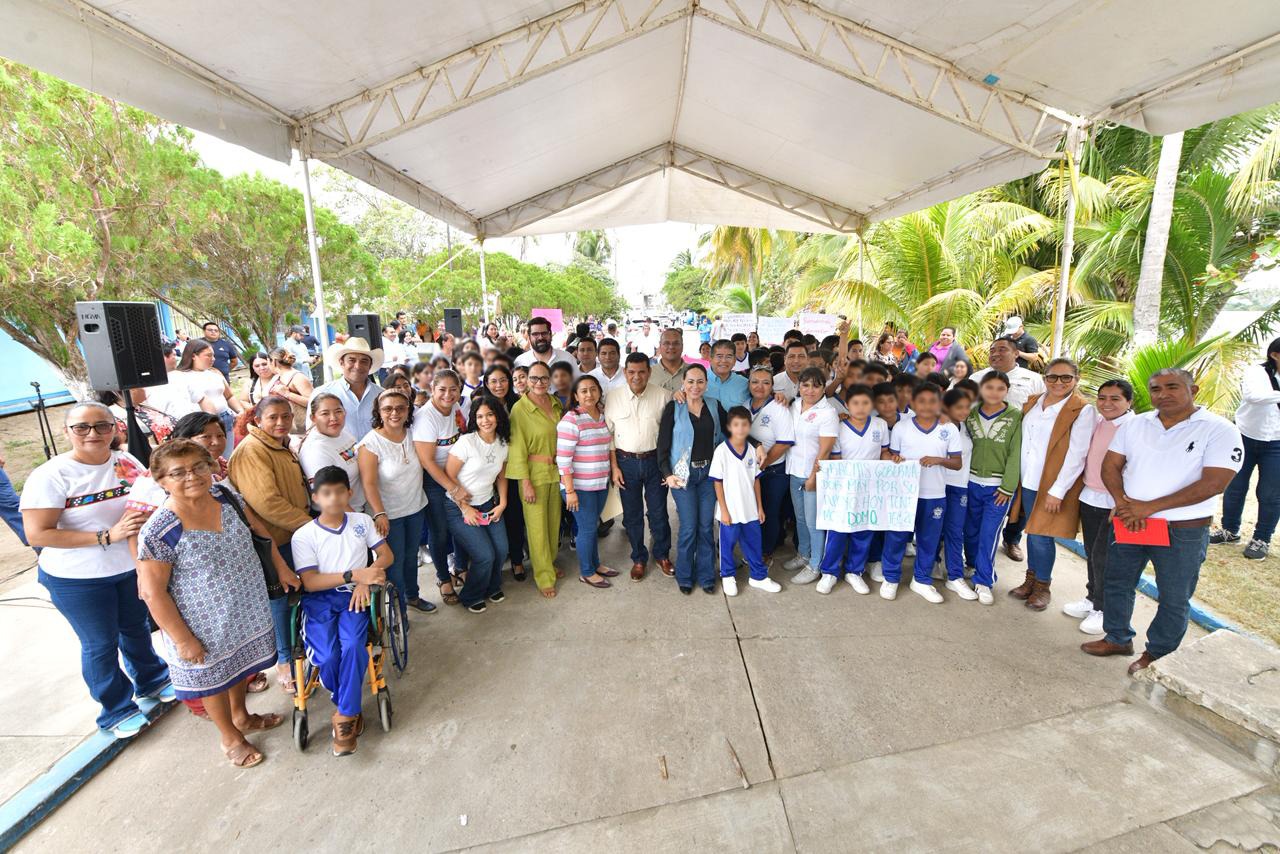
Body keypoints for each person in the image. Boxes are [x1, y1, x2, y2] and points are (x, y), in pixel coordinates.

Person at [136, 440, 297, 766]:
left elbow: (260, 530)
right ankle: (230, 737)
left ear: (210, 466)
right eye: (177, 473)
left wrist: (282, 568)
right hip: (200, 625)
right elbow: (152, 592)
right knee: (212, 680)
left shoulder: (226, 497)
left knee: (238, 669)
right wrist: (183, 639)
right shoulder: (160, 529)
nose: (191, 476)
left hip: (243, 609)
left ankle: (242, 716)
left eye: (198, 466)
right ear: (161, 481)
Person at [20, 402, 172, 738]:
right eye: (82, 427)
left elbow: (145, 500)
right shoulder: (51, 475)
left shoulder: (125, 462)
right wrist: (106, 535)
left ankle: (153, 679)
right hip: (77, 578)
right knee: (100, 643)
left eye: (102, 426)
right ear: (67, 432)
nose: (93, 434)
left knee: (135, 628)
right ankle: (116, 710)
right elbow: (37, 533)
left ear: (114, 429)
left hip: (126, 566)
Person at [1084, 369, 1243, 675]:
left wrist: (1149, 507)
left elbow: (1214, 483)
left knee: (1174, 594)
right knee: (1117, 582)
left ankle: (1158, 653)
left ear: (1193, 389)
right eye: (1156, 389)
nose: (1162, 394)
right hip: (1131, 521)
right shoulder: (1137, 424)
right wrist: (1122, 503)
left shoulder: (1219, 430)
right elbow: (1111, 466)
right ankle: (1117, 637)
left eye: (1172, 387)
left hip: (1182, 529)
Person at [291, 466, 391, 755]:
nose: (334, 498)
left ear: (349, 493)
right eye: (326, 493)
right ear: (315, 498)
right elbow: (309, 582)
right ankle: (345, 698)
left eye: (339, 491)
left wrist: (367, 577)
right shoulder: (304, 535)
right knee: (327, 655)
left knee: (354, 645)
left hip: (355, 598)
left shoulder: (360, 521)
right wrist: (354, 575)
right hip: (320, 599)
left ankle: (345, 716)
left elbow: (386, 555)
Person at [227, 396, 313, 693]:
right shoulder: (252, 450)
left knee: (295, 598)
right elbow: (266, 502)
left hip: (292, 535)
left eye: (286, 417)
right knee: (280, 601)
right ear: (258, 419)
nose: (280, 423)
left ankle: (299, 654)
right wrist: (310, 525)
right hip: (273, 542)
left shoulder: (277, 445)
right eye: (273, 417)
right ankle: (286, 664)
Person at [1006, 358, 1095, 611]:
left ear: (1076, 380)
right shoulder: (1034, 402)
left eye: (1066, 377)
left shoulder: (1082, 409)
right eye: (1052, 377)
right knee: (1032, 533)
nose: (1058, 382)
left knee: (1042, 536)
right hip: (1028, 480)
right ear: (1044, 378)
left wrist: (1058, 490)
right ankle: (1031, 580)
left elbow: (1078, 454)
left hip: (1052, 483)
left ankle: (1043, 586)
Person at [1065, 379, 1135, 635]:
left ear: (1129, 402)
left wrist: (1123, 500)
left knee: (1105, 557)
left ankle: (1103, 609)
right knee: (1091, 551)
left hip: (1114, 502)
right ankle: (1092, 597)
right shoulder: (1099, 422)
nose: (1107, 403)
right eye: (1102, 398)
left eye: (1115, 399)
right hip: (1091, 496)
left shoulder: (1132, 427)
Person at [881, 384, 963, 603]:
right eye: (921, 401)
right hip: (904, 493)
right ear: (912, 403)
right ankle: (890, 577)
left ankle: (921, 579)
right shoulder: (901, 428)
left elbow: (957, 463)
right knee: (897, 535)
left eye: (932, 401)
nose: (927, 405)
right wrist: (894, 459)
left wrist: (939, 460)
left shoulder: (949, 429)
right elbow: (891, 457)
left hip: (934, 494)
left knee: (928, 539)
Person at [971, 337, 1046, 561]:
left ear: (1016, 353)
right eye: (992, 350)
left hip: (1021, 448)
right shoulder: (976, 378)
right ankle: (974, 552)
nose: (995, 353)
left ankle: (1012, 539)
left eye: (1002, 349)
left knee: (1017, 498)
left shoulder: (1033, 379)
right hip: (984, 448)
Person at [357, 388, 429, 617]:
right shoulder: (371, 443)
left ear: (409, 409)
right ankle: (398, 614)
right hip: (389, 515)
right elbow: (368, 483)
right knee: (394, 564)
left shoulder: (412, 432)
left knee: (411, 558)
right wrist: (379, 514)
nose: (394, 413)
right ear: (379, 411)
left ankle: (413, 596)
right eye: (388, 409)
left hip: (415, 507)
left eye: (400, 408)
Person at [658, 365, 726, 594]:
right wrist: (667, 474)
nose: (695, 386)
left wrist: (755, 445)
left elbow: (732, 431)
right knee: (688, 527)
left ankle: (707, 575)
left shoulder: (715, 406)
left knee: (706, 526)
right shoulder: (674, 407)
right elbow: (663, 445)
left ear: (707, 383)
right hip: (682, 476)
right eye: (690, 382)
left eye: (700, 382)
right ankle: (685, 575)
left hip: (708, 474)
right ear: (683, 383)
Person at [607, 353, 674, 581]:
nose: (637, 376)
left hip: (655, 462)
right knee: (633, 515)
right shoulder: (612, 398)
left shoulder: (664, 396)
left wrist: (668, 468)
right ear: (625, 372)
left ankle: (662, 555)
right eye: (632, 372)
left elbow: (671, 434)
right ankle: (638, 558)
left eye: (642, 371)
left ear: (649, 372)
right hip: (625, 464)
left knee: (658, 513)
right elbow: (609, 437)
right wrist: (614, 468)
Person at [1213, 337, 1280, 560]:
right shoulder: (1257, 372)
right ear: (1275, 355)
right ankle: (1230, 531)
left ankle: (1261, 539)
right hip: (1245, 437)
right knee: (1235, 486)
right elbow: (1254, 396)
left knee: (1270, 493)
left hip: (1277, 443)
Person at [815, 385, 886, 594]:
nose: (860, 407)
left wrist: (895, 460)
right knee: (837, 529)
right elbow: (836, 460)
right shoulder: (840, 427)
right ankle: (829, 571)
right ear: (847, 405)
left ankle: (855, 571)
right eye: (855, 403)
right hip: (844, 488)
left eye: (865, 403)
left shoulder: (880, 425)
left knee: (863, 529)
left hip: (870, 489)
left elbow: (884, 454)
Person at [444, 396, 511, 611]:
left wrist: (502, 503)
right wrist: (465, 507)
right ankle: (471, 595)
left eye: (490, 415)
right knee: (484, 556)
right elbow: (449, 476)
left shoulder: (502, 443)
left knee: (501, 550)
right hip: (458, 507)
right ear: (474, 418)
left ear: (498, 417)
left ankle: (491, 587)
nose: (485, 420)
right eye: (480, 416)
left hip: (489, 504)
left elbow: (502, 476)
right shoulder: (467, 442)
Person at [964, 371, 1022, 605]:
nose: (994, 393)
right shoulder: (970, 413)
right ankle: (972, 565)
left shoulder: (1016, 416)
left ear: (1007, 390)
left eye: (1000, 388)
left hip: (998, 489)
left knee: (989, 534)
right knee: (970, 531)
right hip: (969, 482)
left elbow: (1015, 454)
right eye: (989, 388)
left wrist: (1008, 487)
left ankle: (984, 580)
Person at [507, 362, 564, 597]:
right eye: (533, 378)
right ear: (526, 380)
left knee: (553, 523)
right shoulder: (520, 409)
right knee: (537, 528)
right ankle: (543, 576)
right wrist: (525, 482)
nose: (539, 383)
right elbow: (517, 449)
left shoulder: (555, 402)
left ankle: (549, 563)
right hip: (534, 474)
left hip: (556, 471)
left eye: (543, 378)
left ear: (550, 379)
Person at [712, 406, 781, 595]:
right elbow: (717, 483)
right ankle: (727, 575)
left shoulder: (752, 450)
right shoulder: (721, 451)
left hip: (750, 508)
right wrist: (724, 510)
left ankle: (758, 576)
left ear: (749, 427)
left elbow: (756, 480)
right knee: (728, 544)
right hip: (731, 510)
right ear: (729, 427)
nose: (740, 429)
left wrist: (759, 506)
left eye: (744, 425)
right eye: (736, 425)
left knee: (753, 543)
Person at [413, 369, 469, 602]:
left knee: (459, 526)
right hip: (434, 480)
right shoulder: (426, 417)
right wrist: (453, 488)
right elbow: (426, 461)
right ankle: (443, 578)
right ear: (432, 390)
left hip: (456, 474)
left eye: (453, 389)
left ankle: (460, 567)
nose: (448, 394)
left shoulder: (455, 409)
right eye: (442, 389)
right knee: (440, 530)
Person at [557, 376, 616, 589]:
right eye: (583, 391)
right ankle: (587, 572)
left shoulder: (601, 416)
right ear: (575, 396)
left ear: (599, 391)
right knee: (587, 528)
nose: (589, 394)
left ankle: (596, 564)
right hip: (579, 488)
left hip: (599, 483)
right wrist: (570, 490)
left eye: (593, 389)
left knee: (591, 526)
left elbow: (609, 446)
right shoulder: (571, 420)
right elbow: (563, 459)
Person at [784, 367, 839, 584]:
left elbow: (825, 450)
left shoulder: (828, 413)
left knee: (813, 522)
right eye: (805, 385)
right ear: (799, 386)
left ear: (824, 387)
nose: (810, 390)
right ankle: (803, 554)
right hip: (794, 471)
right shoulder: (793, 405)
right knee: (800, 519)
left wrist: (813, 477)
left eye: (816, 385)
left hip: (814, 474)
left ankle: (816, 564)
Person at [747, 367, 794, 562]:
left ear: (772, 387)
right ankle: (753, 548)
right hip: (751, 471)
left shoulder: (779, 407)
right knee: (752, 511)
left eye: (766, 382)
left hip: (773, 471)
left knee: (769, 512)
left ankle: (766, 551)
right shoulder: (744, 405)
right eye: (755, 381)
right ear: (748, 384)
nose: (760, 386)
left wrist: (764, 464)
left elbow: (784, 442)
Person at [298, 393, 365, 513]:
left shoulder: (343, 432)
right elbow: (330, 498)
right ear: (313, 418)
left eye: (338, 411)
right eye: (325, 413)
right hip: (341, 516)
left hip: (360, 507)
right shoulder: (314, 450)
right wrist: (358, 522)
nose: (333, 418)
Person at [940, 388, 977, 599]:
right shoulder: (938, 427)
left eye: (967, 407)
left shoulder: (966, 428)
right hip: (938, 486)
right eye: (959, 407)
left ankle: (954, 576)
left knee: (955, 532)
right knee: (933, 531)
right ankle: (931, 566)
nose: (964, 411)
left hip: (960, 486)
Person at [310, 337, 383, 441]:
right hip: (337, 455)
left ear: (370, 365)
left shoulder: (381, 395)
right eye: (352, 360)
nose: (357, 366)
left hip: (376, 455)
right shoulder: (322, 393)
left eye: (364, 361)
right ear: (341, 362)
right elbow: (312, 433)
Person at [174, 339, 245, 445]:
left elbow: (229, 396)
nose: (213, 359)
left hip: (226, 418)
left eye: (213, 355)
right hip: (203, 424)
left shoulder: (215, 373)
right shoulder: (181, 376)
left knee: (228, 453)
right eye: (208, 355)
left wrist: (240, 410)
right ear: (193, 356)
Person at [263, 348, 314, 434]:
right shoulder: (278, 376)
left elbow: (313, 401)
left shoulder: (297, 377)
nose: (267, 366)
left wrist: (288, 394)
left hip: (301, 428)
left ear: (274, 362)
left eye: (267, 362)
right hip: (283, 427)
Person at [705, 339, 750, 410]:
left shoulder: (744, 384)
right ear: (710, 358)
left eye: (729, 357)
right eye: (719, 356)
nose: (724, 361)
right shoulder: (698, 380)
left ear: (735, 360)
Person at [651, 328, 690, 394]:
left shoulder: (694, 372)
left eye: (676, 343)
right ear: (660, 346)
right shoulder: (648, 374)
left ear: (682, 346)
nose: (671, 347)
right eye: (666, 343)